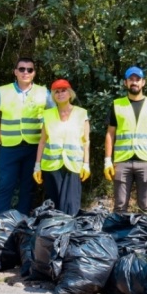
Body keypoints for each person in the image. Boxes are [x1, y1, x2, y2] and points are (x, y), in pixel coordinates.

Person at [0, 57, 54, 215]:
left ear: (34, 73)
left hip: (33, 147)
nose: (25, 72)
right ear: (15, 72)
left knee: (28, 186)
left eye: (30, 69)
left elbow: (54, 115)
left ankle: (22, 221)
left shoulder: (43, 92)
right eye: (22, 69)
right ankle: (1, 221)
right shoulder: (3, 91)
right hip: (10, 147)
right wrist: (1, 133)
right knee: (5, 185)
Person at [103, 66, 147, 213]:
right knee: (120, 205)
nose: (134, 82)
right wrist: (107, 160)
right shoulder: (117, 105)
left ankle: (146, 229)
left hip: (146, 161)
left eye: (137, 79)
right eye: (131, 79)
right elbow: (110, 134)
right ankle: (119, 228)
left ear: (143, 82)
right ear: (125, 83)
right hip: (122, 161)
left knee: (145, 205)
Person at [33, 80, 90, 216]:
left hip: (73, 166)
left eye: (63, 90)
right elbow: (42, 141)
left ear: (70, 93)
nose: (60, 94)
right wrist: (37, 165)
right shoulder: (47, 114)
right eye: (56, 92)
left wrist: (86, 164)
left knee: (71, 204)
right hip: (52, 166)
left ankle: (70, 229)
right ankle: (55, 229)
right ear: (53, 96)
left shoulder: (81, 113)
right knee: (55, 205)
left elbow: (86, 141)